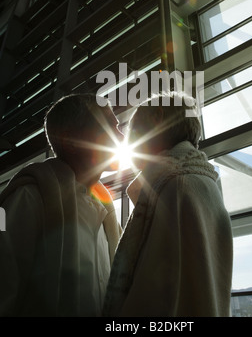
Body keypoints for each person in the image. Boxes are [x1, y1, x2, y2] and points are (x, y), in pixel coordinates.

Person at [103, 92, 233, 317]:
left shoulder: (175, 187)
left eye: (132, 131)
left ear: (156, 118)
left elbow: (154, 297)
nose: (128, 143)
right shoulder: (199, 184)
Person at [0, 93, 122, 317]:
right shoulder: (28, 198)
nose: (121, 135)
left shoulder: (107, 213)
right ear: (71, 141)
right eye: (109, 126)